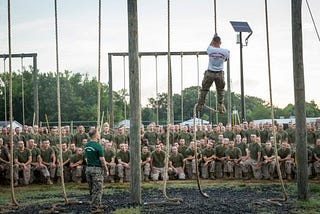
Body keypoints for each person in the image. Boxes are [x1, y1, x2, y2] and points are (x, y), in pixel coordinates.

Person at [197, 34, 230, 113]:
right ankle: (220, 104)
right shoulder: (225, 51)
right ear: (220, 42)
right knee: (220, 90)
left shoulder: (210, 49)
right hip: (219, 73)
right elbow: (226, 59)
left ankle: (200, 104)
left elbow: (211, 44)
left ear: (213, 42)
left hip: (210, 72)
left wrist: (213, 38)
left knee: (204, 89)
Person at [84, 129, 108, 213]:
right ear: (96, 135)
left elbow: (86, 158)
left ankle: (96, 204)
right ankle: (95, 207)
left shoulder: (86, 145)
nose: (99, 134)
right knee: (98, 188)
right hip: (96, 169)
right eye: (98, 133)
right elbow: (102, 159)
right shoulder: (98, 146)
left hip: (88, 169)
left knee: (91, 188)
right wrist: (106, 169)